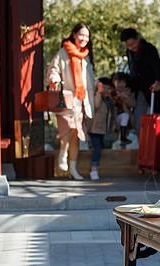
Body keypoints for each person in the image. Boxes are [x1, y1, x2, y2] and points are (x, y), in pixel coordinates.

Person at [47, 22, 95, 180]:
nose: (84, 38)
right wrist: (55, 80)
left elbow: (89, 80)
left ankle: (72, 169)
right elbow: (54, 69)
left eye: (87, 36)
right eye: (81, 34)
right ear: (74, 34)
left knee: (76, 134)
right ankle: (62, 155)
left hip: (80, 101)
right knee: (67, 130)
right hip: (66, 100)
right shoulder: (63, 51)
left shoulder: (86, 55)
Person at [119, 28, 160, 134]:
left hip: (153, 89)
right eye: (127, 46)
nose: (131, 48)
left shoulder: (149, 49)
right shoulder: (130, 52)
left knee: (154, 121)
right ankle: (142, 147)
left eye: (132, 44)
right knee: (138, 122)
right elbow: (133, 71)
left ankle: (154, 146)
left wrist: (158, 81)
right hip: (140, 89)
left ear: (138, 38)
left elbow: (158, 66)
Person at [87, 77, 116, 181]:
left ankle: (96, 167)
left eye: (109, 88)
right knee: (97, 147)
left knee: (100, 146)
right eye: (104, 88)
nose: (106, 91)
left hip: (102, 129)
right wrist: (99, 93)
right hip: (94, 129)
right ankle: (93, 169)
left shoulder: (109, 100)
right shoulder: (97, 97)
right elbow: (96, 105)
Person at [111, 72, 135, 146]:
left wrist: (126, 97)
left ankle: (123, 138)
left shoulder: (127, 92)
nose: (121, 85)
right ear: (113, 82)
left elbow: (133, 104)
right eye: (118, 82)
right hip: (113, 119)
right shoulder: (111, 92)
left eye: (123, 83)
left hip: (123, 120)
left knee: (125, 115)